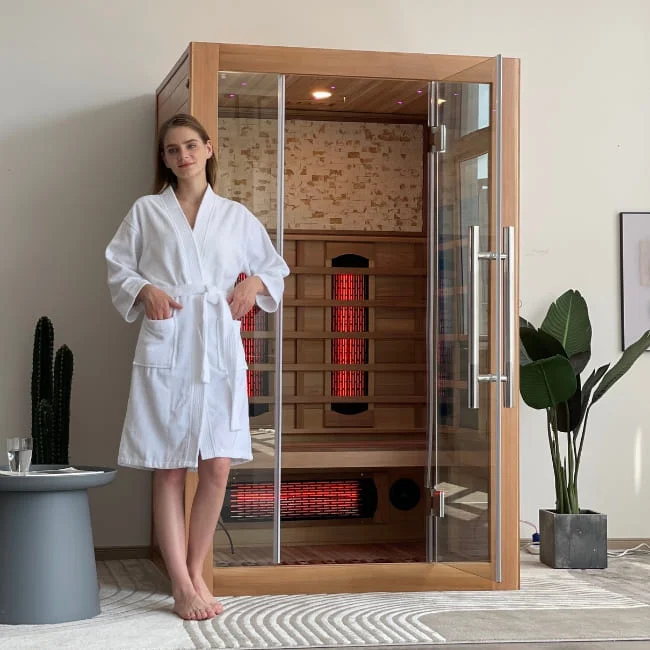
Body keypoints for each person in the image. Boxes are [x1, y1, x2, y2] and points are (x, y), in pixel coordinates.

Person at [105, 113, 289, 621]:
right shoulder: (147, 211)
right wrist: (144, 290)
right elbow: (118, 266)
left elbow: (275, 267)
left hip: (218, 346)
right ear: (164, 159)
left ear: (209, 149)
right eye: (171, 150)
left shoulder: (235, 215)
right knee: (167, 468)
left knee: (218, 465)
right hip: (171, 338)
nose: (182, 156)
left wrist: (253, 285)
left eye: (190, 146)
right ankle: (184, 585)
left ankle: (192, 573)